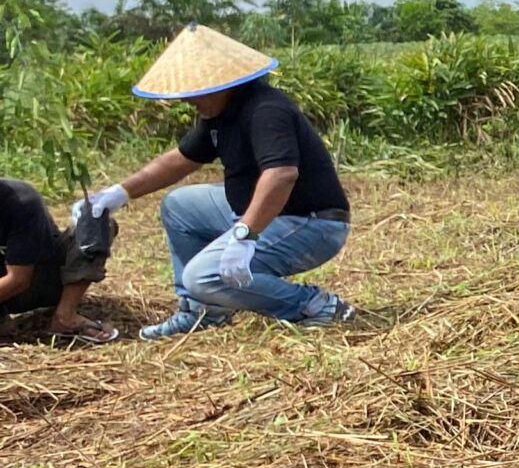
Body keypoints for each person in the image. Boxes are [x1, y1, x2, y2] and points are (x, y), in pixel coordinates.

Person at [79, 25, 356, 337]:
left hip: (311, 223)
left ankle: (315, 306)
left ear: (219, 82)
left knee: (204, 277)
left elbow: (281, 175)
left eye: (193, 89)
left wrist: (245, 235)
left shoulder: (266, 110)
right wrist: (119, 193)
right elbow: (179, 159)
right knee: (179, 205)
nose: (187, 99)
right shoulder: (221, 115)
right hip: (270, 215)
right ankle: (203, 311)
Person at [0, 178, 118, 345]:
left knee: (96, 221)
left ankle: (66, 316)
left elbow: (19, 279)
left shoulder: (21, 201)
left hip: (45, 279)